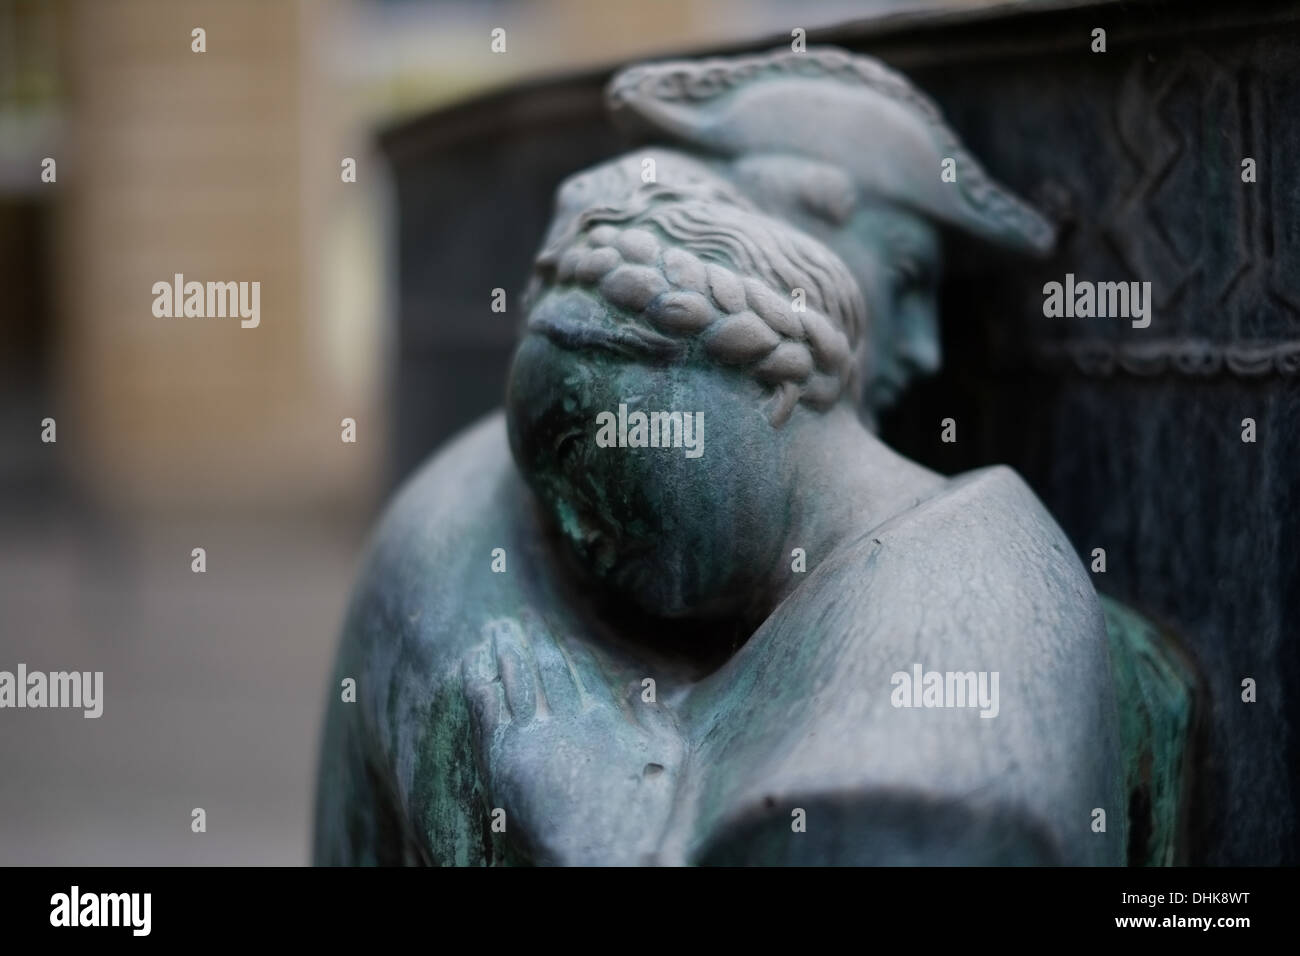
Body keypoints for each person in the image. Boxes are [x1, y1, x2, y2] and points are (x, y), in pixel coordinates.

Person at [313, 48, 1129, 866]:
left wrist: (601, 831)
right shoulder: (476, 522)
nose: (578, 531)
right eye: (909, 278)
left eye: (606, 463)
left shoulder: (953, 630)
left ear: (767, 382)